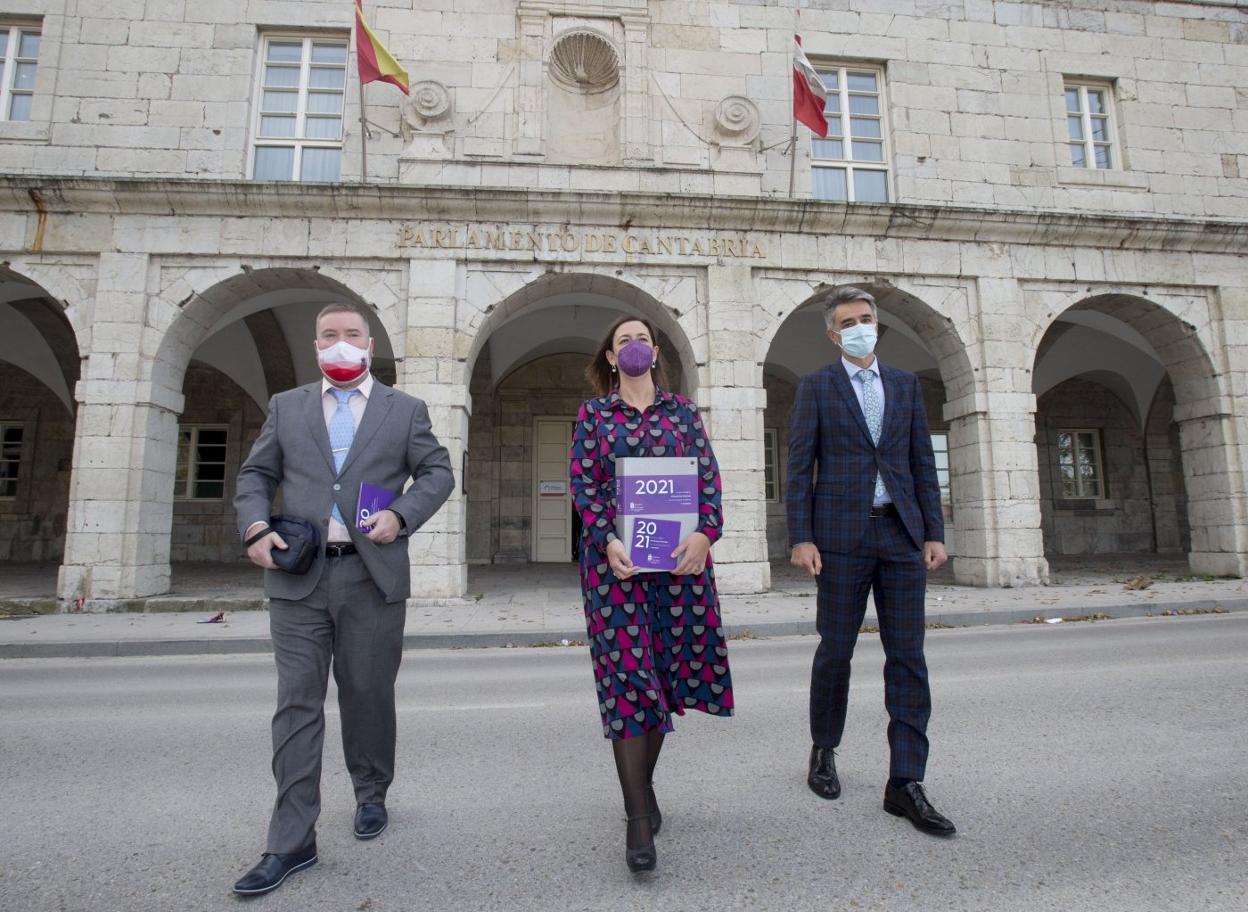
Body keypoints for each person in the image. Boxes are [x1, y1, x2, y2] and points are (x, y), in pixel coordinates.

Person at [231, 301, 455, 895]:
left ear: (369, 345)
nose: (340, 342)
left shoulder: (404, 410)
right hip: (298, 575)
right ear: (316, 346)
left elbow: (437, 472)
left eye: (351, 334)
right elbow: (255, 476)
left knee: (366, 693)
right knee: (297, 704)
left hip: (370, 576)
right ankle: (291, 840)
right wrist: (255, 527)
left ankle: (371, 790)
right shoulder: (287, 406)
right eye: (328, 334)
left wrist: (402, 516)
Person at [786, 286, 956, 837]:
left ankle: (905, 781)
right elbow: (798, 469)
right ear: (834, 334)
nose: (860, 327)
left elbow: (921, 464)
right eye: (848, 321)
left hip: (901, 536)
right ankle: (823, 750)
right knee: (835, 650)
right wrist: (802, 537)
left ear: (877, 325)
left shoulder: (905, 386)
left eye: (867, 318)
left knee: (908, 656)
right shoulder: (816, 387)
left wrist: (933, 531)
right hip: (839, 539)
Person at [570, 316, 734, 873]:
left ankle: (641, 786)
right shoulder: (594, 415)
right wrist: (608, 538)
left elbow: (709, 482)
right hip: (616, 571)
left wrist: (704, 534)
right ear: (611, 358)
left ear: (655, 351)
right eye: (623, 341)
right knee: (629, 684)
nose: (634, 347)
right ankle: (637, 819)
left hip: (679, 572)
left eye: (642, 339)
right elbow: (584, 487)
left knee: (661, 682)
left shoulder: (684, 413)